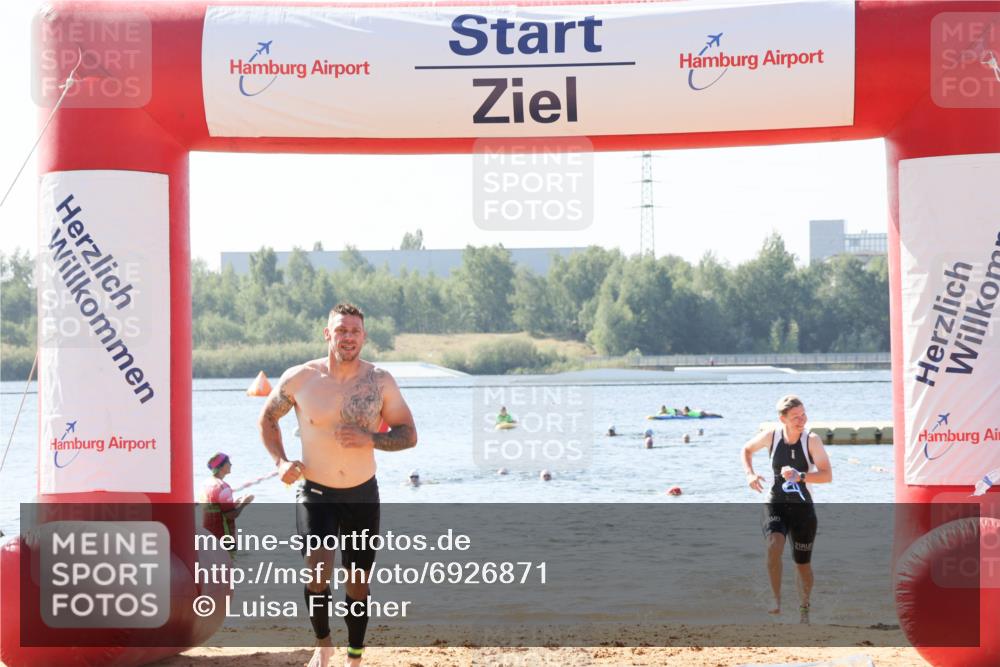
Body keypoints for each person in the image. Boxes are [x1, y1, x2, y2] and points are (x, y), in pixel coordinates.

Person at [259, 303, 417, 667]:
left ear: (363, 337)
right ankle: (324, 643)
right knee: (316, 570)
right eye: (341, 330)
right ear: (327, 334)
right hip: (316, 492)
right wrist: (281, 461)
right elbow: (267, 419)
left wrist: (370, 438)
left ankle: (356, 657)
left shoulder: (380, 381)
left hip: (362, 493)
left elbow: (408, 434)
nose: (348, 337)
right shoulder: (301, 378)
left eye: (354, 331)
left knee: (357, 583)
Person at [741, 395, 832, 624]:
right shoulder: (772, 436)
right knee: (774, 544)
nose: (802, 420)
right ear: (782, 419)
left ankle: (804, 608)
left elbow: (827, 475)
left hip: (803, 509)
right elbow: (747, 449)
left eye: (803, 415)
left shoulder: (811, 440)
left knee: (802, 565)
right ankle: (775, 598)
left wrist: (800, 476)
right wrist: (749, 473)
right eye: (795, 417)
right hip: (776, 502)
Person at [200, 452, 254, 544]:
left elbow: (215, 507)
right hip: (223, 537)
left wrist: (235, 503)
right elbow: (231, 515)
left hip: (208, 535)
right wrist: (244, 503)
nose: (231, 464)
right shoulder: (223, 487)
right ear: (221, 466)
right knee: (227, 558)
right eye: (228, 462)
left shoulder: (206, 483)